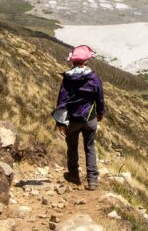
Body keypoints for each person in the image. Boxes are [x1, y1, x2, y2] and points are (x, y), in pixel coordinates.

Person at [52, 44, 105, 190]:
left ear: (73, 61)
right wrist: (100, 113)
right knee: (90, 147)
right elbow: (99, 98)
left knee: (72, 147)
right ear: (86, 61)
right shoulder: (94, 78)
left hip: (72, 120)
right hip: (90, 118)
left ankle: (74, 175)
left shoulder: (67, 79)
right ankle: (92, 180)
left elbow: (61, 101)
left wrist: (60, 122)